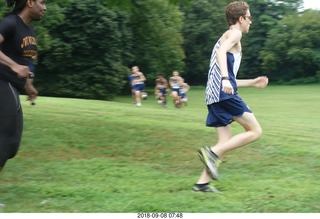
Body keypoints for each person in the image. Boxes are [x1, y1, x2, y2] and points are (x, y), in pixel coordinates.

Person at [193, 1, 268, 192]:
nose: (251, 21)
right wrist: (226, 79)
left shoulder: (227, 36)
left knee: (225, 142)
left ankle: (202, 184)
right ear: (241, 18)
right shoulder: (235, 33)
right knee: (255, 131)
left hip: (213, 95)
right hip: (222, 94)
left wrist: (251, 82)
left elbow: (227, 77)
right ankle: (211, 153)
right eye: (249, 17)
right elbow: (221, 53)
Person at [0, 0, 46, 174]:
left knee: (11, 144)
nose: (45, 8)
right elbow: (16, 65)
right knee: (6, 138)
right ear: (30, 2)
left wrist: (28, 86)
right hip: (2, 83)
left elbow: (23, 63)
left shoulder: (30, 31)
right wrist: (12, 66)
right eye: (42, 2)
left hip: (13, 87)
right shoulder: (10, 23)